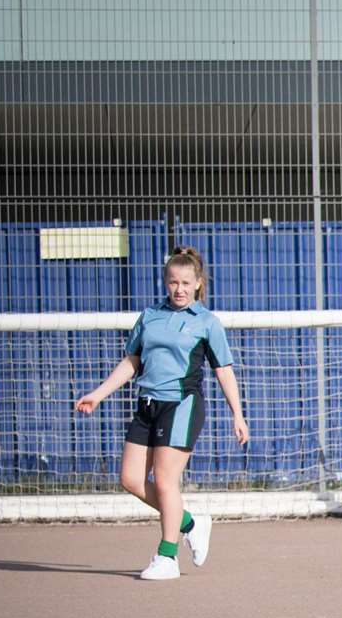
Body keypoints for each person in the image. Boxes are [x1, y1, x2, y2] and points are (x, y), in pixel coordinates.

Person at [75, 246, 249, 581]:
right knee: (130, 479)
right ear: (165, 282)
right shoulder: (149, 316)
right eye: (173, 282)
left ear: (198, 283)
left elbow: (224, 371)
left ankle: (167, 556)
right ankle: (190, 522)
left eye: (186, 282)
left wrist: (237, 415)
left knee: (166, 481)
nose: (179, 289)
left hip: (182, 405)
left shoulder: (207, 323)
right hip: (147, 404)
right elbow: (131, 362)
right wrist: (97, 395)